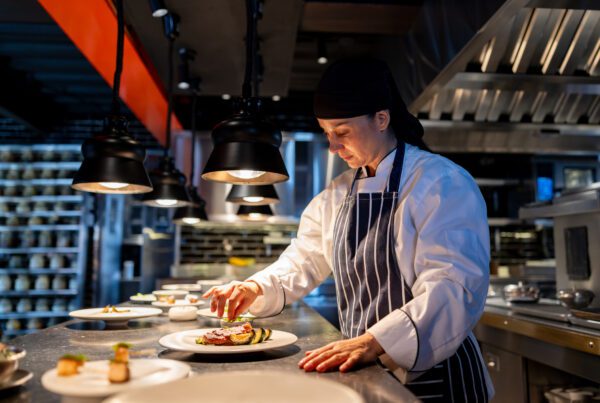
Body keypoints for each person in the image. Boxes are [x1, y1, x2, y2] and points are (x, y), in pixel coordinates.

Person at [204, 58, 494, 401]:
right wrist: (255, 287)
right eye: (327, 133)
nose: (333, 146)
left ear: (381, 119)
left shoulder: (441, 182)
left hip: (438, 377)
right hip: (366, 367)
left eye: (342, 132)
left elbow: (452, 286)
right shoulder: (338, 192)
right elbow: (304, 257)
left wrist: (377, 341)